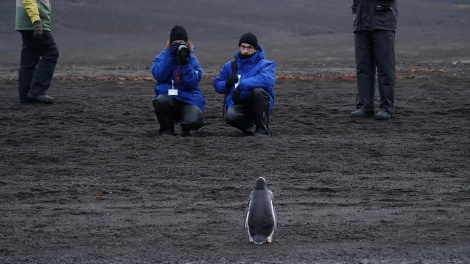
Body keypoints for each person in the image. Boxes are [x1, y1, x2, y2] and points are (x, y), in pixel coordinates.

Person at [214, 32, 275, 136]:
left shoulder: (266, 64)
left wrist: (242, 84)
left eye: (249, 47)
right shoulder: (230, 66)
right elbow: (217, 85)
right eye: (243, 47)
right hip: (238, 102)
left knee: (258, 91)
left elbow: (266, 79)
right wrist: (226, 84)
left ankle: (262, 129)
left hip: (259, 102)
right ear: (239, 47)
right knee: (231, 115)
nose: (245, 50)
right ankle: (249, 129)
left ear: (256, 48)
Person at [151, 25, 205, 136]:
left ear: (186, 43)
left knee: (194, 121)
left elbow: (192, 83)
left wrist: (185, 64)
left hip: (189, 98)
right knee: (161, 101)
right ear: (170, 43)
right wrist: (170, 56)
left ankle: (186, 127)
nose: (177, 46)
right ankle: (166, 130)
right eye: (174, 43)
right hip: (169, 97)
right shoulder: (162, 57)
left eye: (181, 43)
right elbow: (159, 76)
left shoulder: (192, 60)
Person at [350, 0, 397, 120]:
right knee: (363, 67)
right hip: (361, 21)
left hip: (382, 21)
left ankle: (387, 108)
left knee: (385, 67)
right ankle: (364, 107)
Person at [15, 0, 59, 104]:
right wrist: (36, 22)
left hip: (26, 23)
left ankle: (26, 98)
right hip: (33, 23)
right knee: (51, 53)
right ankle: (37, 90)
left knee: (29, 59)